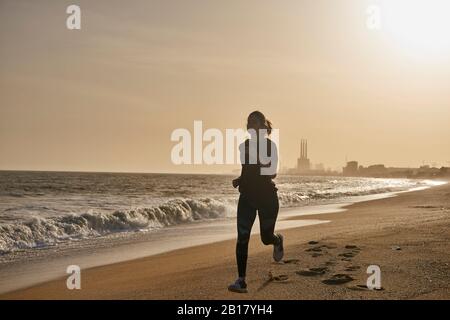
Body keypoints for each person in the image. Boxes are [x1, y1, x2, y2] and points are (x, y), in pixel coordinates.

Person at [228, 111, 284, 293]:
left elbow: (272, 172)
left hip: (267, 197)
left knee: (265, 238)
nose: (250, 126)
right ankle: (241, 280)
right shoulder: (244, 146)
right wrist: (240, 180)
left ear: (262, 126)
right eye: (248, 123)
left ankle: (277, 240)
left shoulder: (270, 146)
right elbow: (247, 172)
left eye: (254, 122)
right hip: (247, 197)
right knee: (242, 238)